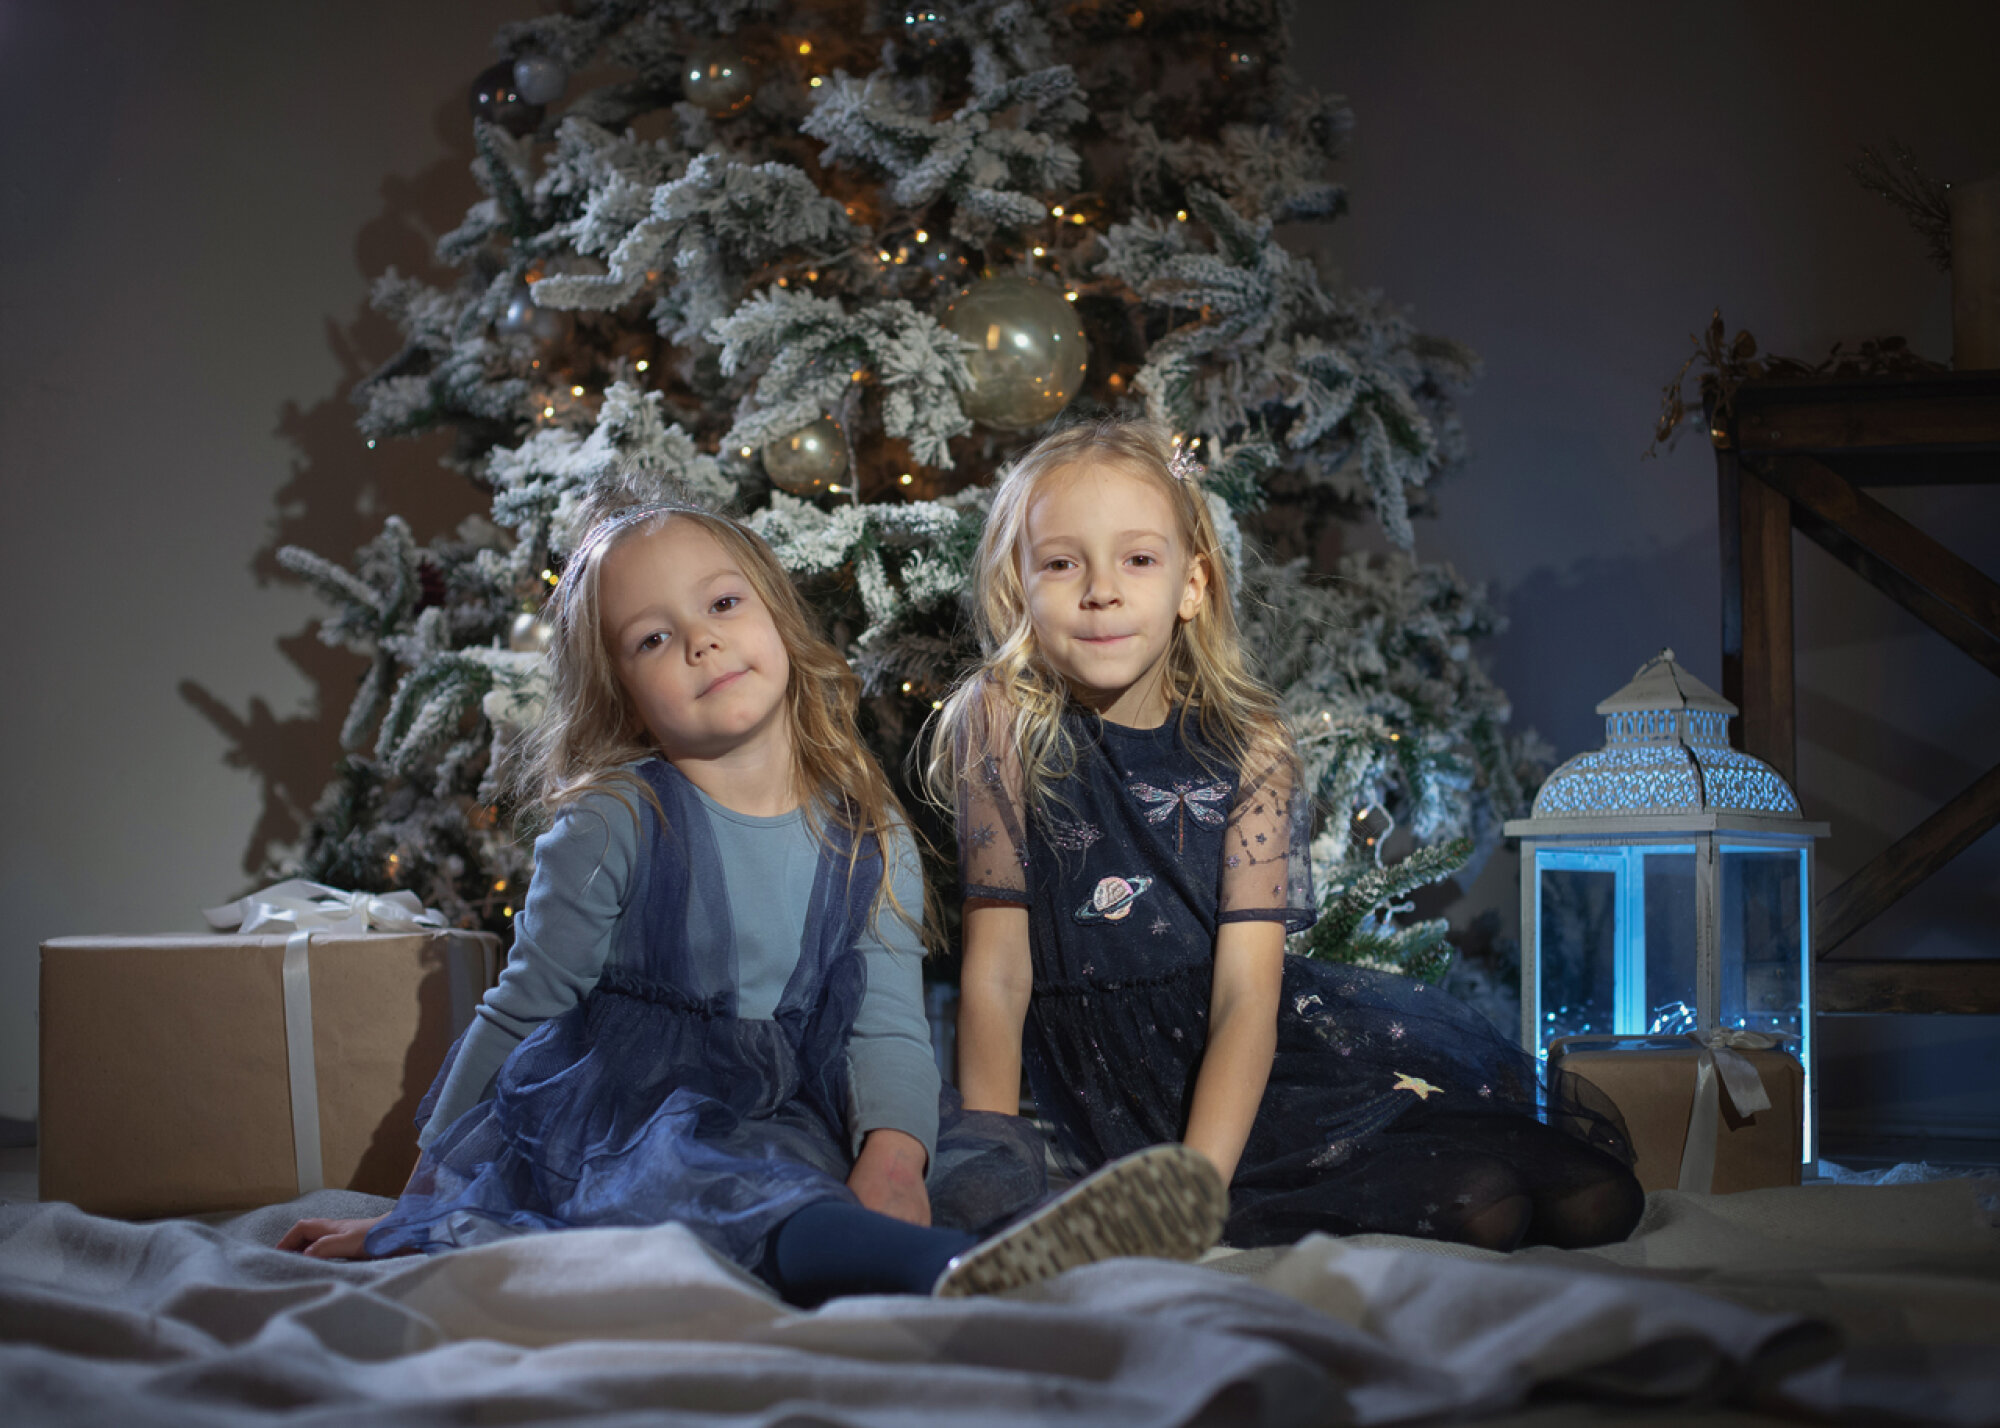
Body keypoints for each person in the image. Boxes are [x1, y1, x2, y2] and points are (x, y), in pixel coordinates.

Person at [280, 502, 1227, 1302]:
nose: (700, 640)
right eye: (653, 638)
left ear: (776, 618)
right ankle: (946, 1275)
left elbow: (889, 1031)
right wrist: (421, 1201)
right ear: (625, 696)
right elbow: (522, 1009)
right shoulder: (617, 820)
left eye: (723, 603)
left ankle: (1053, 1267)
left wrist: (893, 1160)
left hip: (795, 1109)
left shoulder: (870, 837)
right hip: (638, 1124)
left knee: (937, 1172)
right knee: (737, 1191)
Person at [930, 419, 1644, 1252]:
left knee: (1598, 1195)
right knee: (1481, 1205)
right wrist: (996, 1175)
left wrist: (1198, 1183)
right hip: (1129, 1093)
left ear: (1192, 585)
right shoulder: (1001, 723)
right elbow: (997, 976)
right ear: (1016, 586)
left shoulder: (1252, 745)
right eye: (1061, 563)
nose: (1102, 591)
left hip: (1255, 1058)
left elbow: (1246, 996)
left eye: (1138, 559)